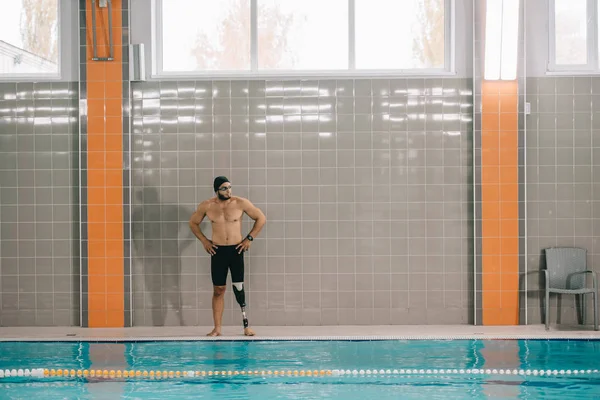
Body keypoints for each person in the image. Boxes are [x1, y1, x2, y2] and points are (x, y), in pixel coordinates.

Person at [189, 176, 266, 337]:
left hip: (236, 250)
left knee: (239, 287)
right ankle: (217, 328)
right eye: (224, 188)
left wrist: (249, 238)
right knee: (219, 289)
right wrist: (204, 241)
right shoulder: (207, 206)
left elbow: (261, 218)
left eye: (230, 187)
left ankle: (246, 326)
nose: (228, 191)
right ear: (217, 190)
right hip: (217, 251)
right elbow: (193, 223)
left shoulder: (240, 203)